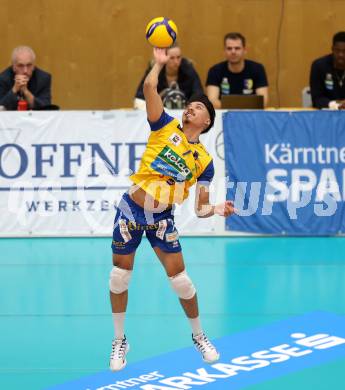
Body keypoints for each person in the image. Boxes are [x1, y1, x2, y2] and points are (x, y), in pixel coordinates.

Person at [109, 47, 235, 371]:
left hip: (162, 219)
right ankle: (120, 340)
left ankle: (199, 336)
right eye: (189, 105)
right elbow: (150, 89)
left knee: (181, 282)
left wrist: (217, 207)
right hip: (131, 212)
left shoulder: (204, 163)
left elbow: (201, 208)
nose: (190, 108)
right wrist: (158, 63)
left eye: (196, 107)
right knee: (119, 277)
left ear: (206, 121)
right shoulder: (163, 126)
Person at [206, 32, 269, 108]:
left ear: (244, 50)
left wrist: (238, 111)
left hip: (250, 115)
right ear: (224, 51)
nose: (233, 52)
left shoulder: (257, 69)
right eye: (229, 48)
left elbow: (263, 101)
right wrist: (238, 110)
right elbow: (212, 101)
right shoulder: (215, 71)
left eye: (237, 48)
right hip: (224, 115)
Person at [134, 42, 203, 109]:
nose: (176, 62)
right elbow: (140, 98)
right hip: (159, 112)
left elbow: (199, 95)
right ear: (164, 57)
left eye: (178, 57)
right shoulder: (154, 70)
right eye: (172, 58)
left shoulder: (188, 69)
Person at [0, 46, 51, 110]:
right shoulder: (3, 79)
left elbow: (46, 108)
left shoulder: (43, 78)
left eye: (29, 65)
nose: (25, 71)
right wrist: (14, 89)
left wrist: (25, 91)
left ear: (33, 66)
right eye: (20, 65)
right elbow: (1, 109)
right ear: (14, 67)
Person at [310, 31, 345, 110]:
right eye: (337, 50)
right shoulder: (319, 66)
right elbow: (316, 99)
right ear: (332, 49)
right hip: (326, 114)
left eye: (344, 51)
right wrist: (336, 105)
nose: (341, 55)